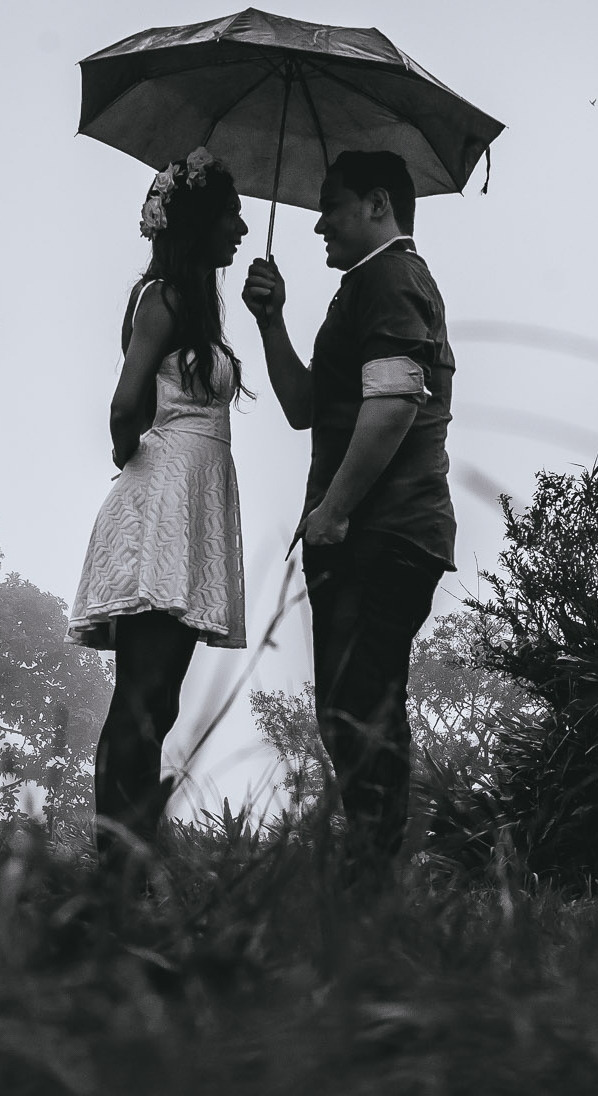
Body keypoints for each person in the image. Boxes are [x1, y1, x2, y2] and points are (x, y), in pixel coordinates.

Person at [242, 149, 456, 885]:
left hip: (381, 531)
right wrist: (270, 321)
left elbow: (396, 402)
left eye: (330, 206)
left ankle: (373, 884)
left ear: (377, 205)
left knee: (358, 707)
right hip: (363, 533)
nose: (318, 225)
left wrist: (332, 512)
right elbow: (307, 407)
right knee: (351, 705)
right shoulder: (362, 287)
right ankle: (376, 877)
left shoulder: (392, 278)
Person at [69, 147, 250, 870]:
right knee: (143, 696)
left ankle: (133, 848)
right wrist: (140, 458)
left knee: (160, 699)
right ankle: (118, 857)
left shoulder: (198, 306)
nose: (239, 228)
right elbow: (124, 406)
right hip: (163, 506)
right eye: (230, 215)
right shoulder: (162, 300)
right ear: (201, 221)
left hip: (194, 504)